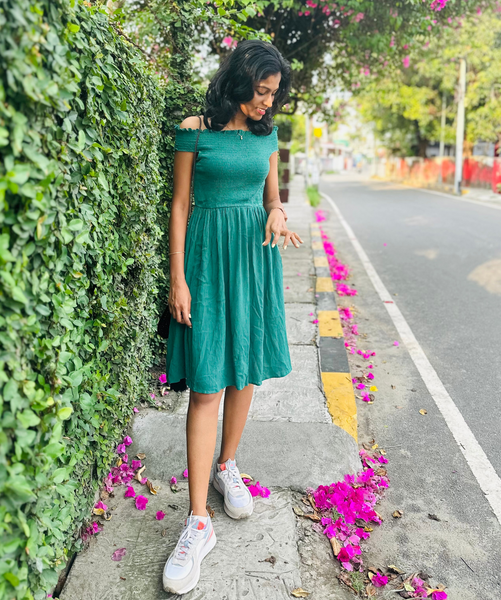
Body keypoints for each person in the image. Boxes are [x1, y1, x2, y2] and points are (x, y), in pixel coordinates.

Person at [162, 39, 303, 595]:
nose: (268, 103)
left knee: (243, 371)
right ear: (240, 81)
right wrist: (177, 278)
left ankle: (227, 465)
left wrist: (277, 214)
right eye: (262, 91)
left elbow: (273, 198)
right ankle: (198, 521)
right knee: (205, 387)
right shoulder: (195, 128)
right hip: (206, 259)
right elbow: (179, 205)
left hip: (253, 259)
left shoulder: (269, 136)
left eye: (274, 94)